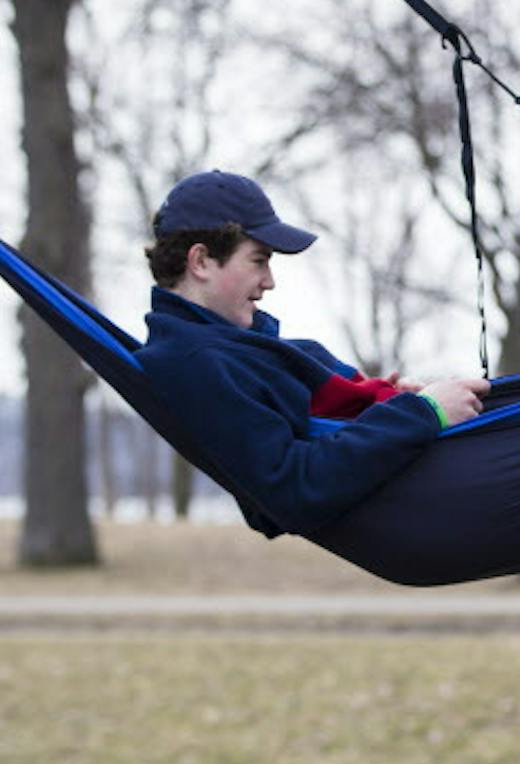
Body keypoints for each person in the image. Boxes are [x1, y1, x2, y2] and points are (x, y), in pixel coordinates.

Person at [137, 169, 490, 537]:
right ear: (201, 262)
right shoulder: (196, 363)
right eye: (258, 260)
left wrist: (384, 404)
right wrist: (422, 413)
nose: (269, 281)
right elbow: (291, 493)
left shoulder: (235, 350)